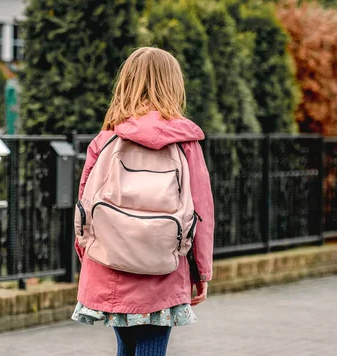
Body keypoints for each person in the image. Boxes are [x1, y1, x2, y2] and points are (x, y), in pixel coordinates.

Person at [71, 47, 215, 356]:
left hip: (111, 264)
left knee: (127, 349)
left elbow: (84, 208)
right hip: (163, 267)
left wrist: (88, 259)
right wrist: (201, 272)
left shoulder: (106, 139)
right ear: (173, 85)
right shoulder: (184, 142)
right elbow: (201, 211)